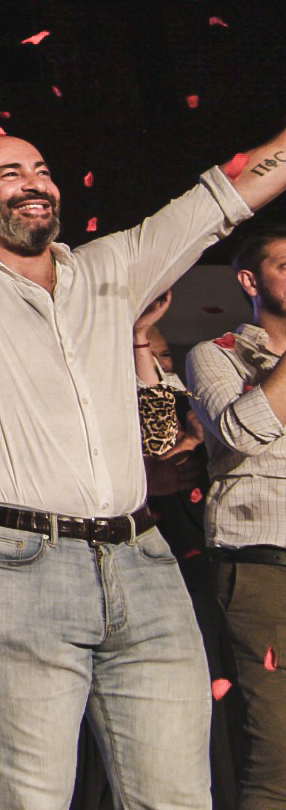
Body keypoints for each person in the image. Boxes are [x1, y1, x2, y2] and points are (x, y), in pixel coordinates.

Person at [0, 120, 286, 809]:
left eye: (40, 168)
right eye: (9, 173)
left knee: (178, 796)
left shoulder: (111, 267)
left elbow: (228, 196)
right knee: (31, 798)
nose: (34, 182)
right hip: (21, 564)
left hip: (142, 562)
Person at [187, 226, 286, 810]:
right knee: (275, 752)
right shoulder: (217, 354)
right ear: (251, 281)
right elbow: (241, 430)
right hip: (262, 563)